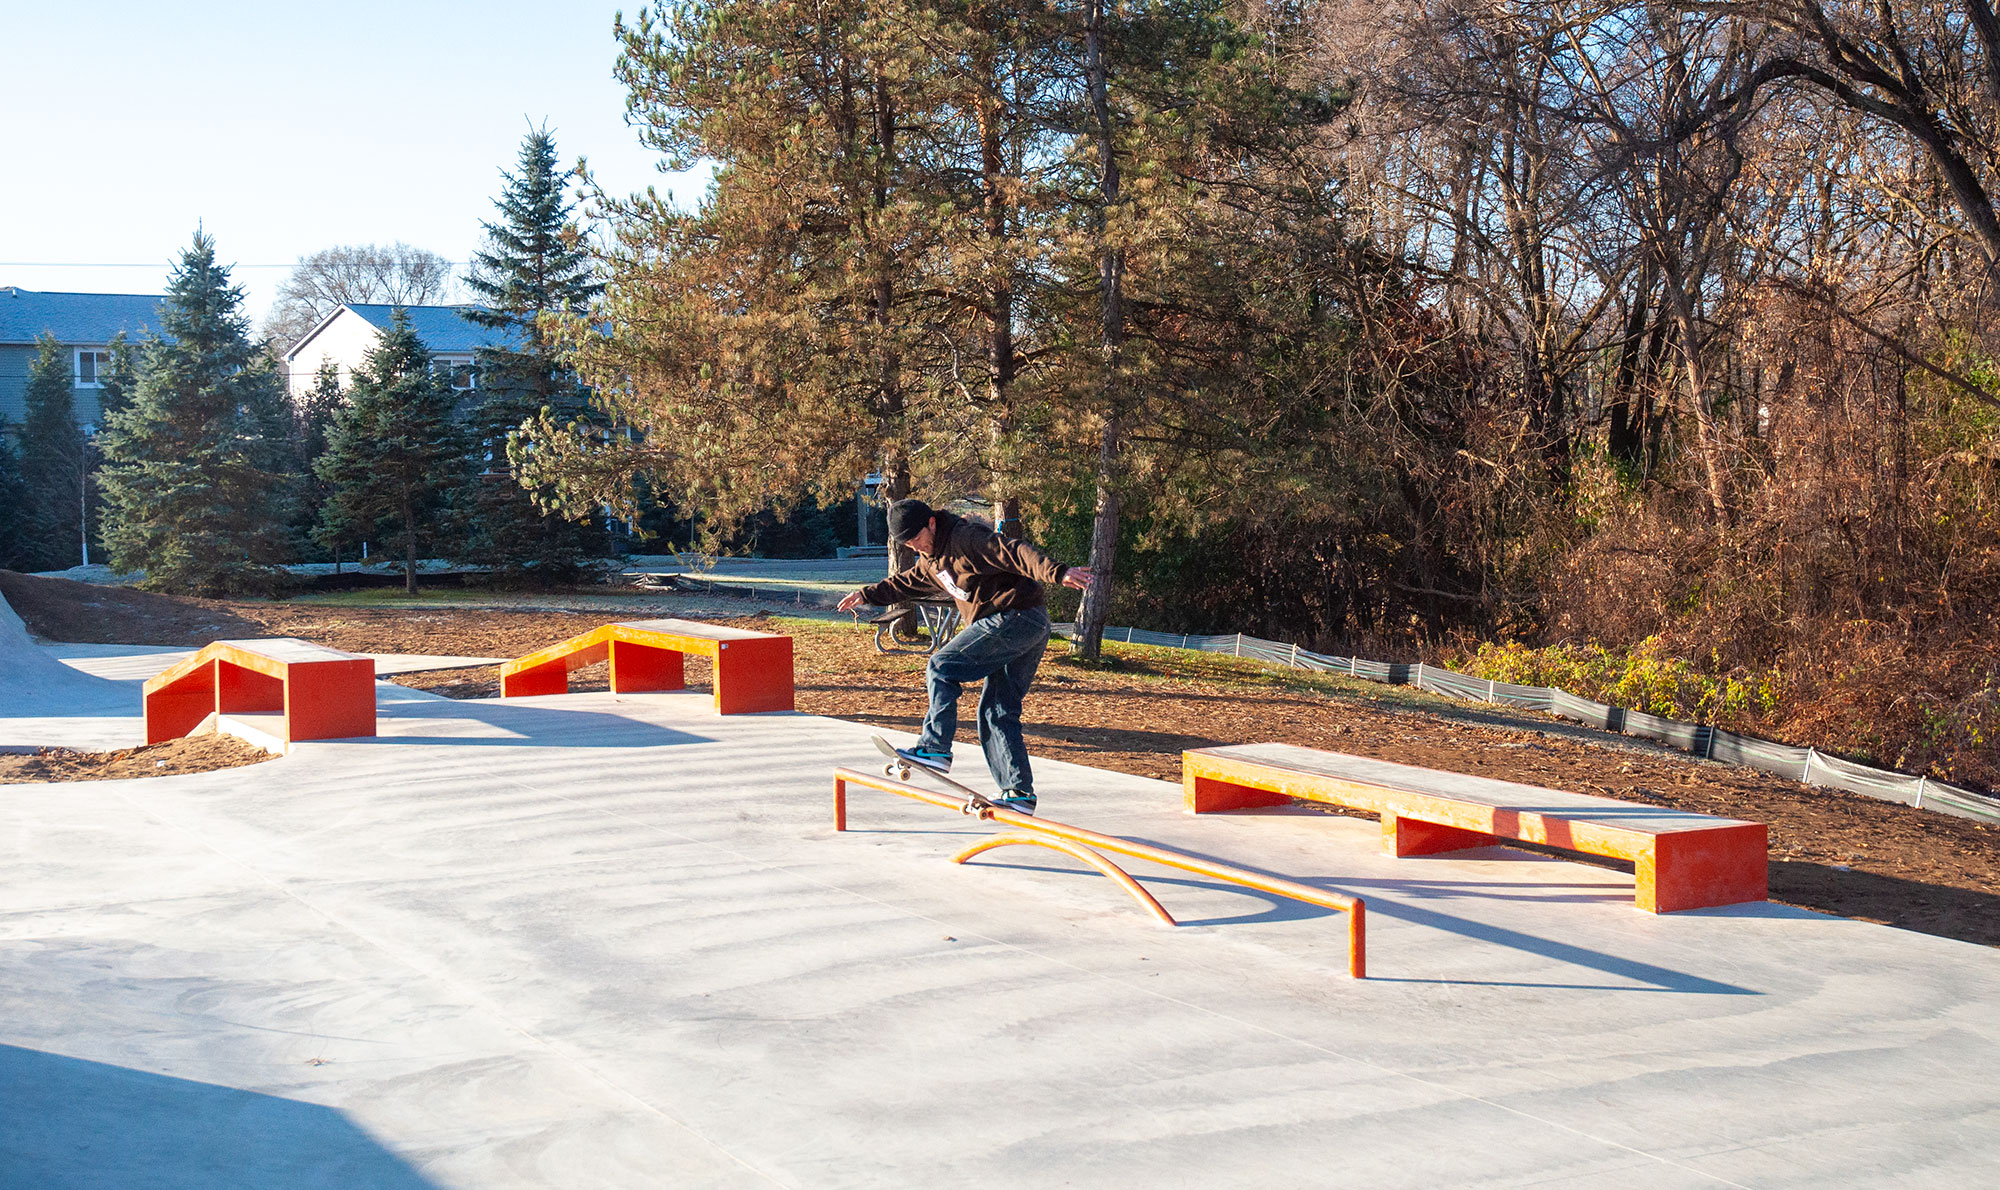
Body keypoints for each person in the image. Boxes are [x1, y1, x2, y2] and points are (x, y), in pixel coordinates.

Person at [838, 498, 1092, 815]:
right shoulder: (930, 561)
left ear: (931, 522)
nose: (917, 548)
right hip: (1027, 624)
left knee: (942, 666)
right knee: (997, 710)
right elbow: (905, 583)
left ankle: (935, 748)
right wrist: (866, 594)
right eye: (909, 544)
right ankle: (1018, 794)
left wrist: (1057, 572)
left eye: (917, 538)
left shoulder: (966, 538)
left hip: (1015, 617)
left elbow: (1013, 551)